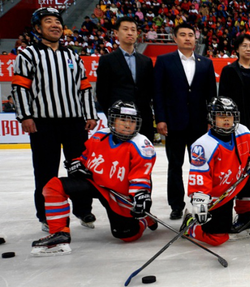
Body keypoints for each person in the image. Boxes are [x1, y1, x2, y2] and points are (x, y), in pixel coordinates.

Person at [31, 101, 156, 256]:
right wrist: (76, 164)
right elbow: (85, 157)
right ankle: (59, 235)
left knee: (126, 235)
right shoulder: (99, 136)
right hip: (94, 182)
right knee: (53, 186)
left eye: (132, 121)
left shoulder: (142, 145)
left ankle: (144, 220)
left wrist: (140, 196)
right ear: (112, 121)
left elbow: (141, 176)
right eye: (123, 120)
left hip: (117, 193)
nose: (127, 125)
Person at [12, 7, 99, 230]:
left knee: (79, 169)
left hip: (74, 122)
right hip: (43, 123)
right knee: (45, 171)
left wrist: (89, 114)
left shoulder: (72, 55)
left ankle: (83, 210)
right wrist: (25, 116)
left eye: (57, 21)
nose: (55, 25)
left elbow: (84, 88)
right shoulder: (28, 54)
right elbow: (20, 88)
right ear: (37, 28)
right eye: (48, 21)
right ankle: (46, 215)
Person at [184, 97, 250, 246]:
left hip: (240, 181)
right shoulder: (202, 145)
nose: (226, 120)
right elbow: (199, 176)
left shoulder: (242, 131)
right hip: (220, 194)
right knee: (218, 238)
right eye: (221, 116)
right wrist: (200, 198)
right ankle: (190, 226)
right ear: (212, 118)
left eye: (230, 115)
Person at [153, 23, 217, 220]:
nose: (188, 38)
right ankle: (176, 205)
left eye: (191, 34)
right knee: (175, 165)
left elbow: (211, 95)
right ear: (175, 38)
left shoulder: (205, 62)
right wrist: (161, 119)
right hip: (174, 123)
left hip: (199, 124)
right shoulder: (164, 61)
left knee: (201, 165)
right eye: (183, 35)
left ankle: (202, 199)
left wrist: (210, 120)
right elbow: (158, 93)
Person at [96, 17, 155, 141]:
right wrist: (112, 116)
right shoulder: (107, 60)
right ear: (116, 33)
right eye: (125, 29)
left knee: (144, 157)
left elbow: (150, 90)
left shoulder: (146, 61)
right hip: (119, 119)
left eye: (133, 30)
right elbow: (102, 92)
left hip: (143, 118)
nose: (130, 32)